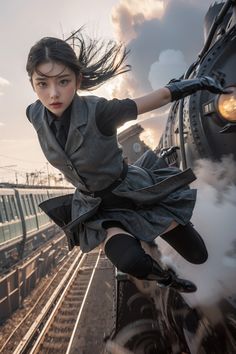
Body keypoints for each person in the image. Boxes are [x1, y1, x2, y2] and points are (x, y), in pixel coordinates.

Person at [25, 32, 227, 293]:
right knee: (131, 261)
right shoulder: (34, 114)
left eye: (63, 81)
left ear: (78, 80)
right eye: (42, 84)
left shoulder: (101, 112)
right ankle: (168, 279)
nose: (53, 94)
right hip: (97, 209)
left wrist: (197, 83)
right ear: (32, 83)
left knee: (198, 254)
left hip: (133, 193)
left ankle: (171, 220)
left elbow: (159, 99)